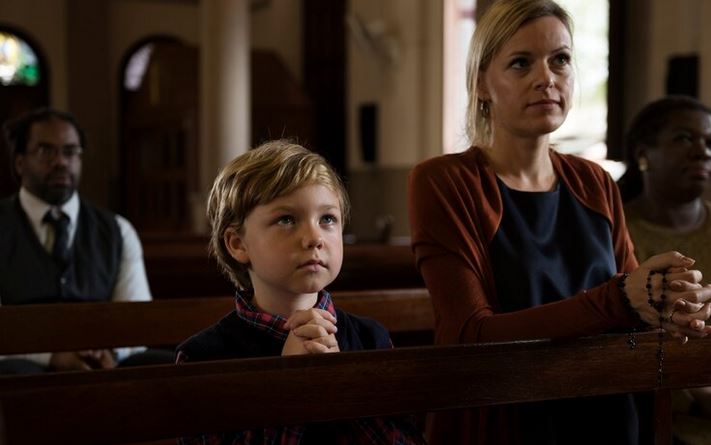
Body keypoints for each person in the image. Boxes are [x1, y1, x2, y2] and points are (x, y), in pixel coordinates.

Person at [407, 1, 711, 444]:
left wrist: (673, 304)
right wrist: (623, 298)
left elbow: (631, 306)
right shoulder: (446, 181)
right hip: (506, 422)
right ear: (481, 84)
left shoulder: (594, 181)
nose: (546, 78)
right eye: (520, 63)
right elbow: (471, 334)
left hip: (607, 418)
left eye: (560, 60)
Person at [176, 140, 426, 444]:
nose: (314, 237)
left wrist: (341, 384)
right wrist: (290, 388)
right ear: (238, 244)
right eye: (286, 219)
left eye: (327, 219)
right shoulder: (203, 357)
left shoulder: (370, 339)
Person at [0, 107, 173, 374]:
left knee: (169, 366)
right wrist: (52, 357)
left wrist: (111, 352)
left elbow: (136, 320)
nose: (60, 162)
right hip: (25, 363)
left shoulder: (118, 230)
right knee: (16, 375)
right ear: (20, 162)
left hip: (101, 358)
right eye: (46, 151)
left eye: (70, 152)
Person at [619, 95, 711, 444]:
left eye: (709, 142)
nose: (703, 151)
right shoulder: (616, 230)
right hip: (654, 414)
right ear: (644, 155)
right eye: (684, 138)